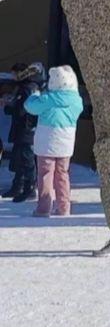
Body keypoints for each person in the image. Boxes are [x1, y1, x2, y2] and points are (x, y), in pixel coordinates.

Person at [22, 64, 84, 217]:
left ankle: (44, 209)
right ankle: (64, 207)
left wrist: (36, 93)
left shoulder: (48, 99)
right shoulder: (76, 101)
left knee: (45, 175)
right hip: (66, 144)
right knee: (63, 174)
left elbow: (30, 106)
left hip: (47, 143)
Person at [1, 61, 45, 203]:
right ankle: (17, 186)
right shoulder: (23, 87)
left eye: (14, 74)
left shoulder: (28, 88)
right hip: (21, 127)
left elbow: (22, 109)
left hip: (26, 128)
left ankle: (29, 188)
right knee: (19, 158)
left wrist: (9, 105)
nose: (12, 77)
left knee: (27, 159)